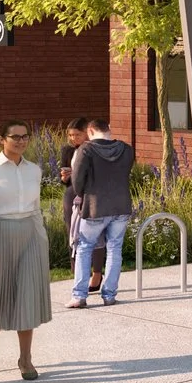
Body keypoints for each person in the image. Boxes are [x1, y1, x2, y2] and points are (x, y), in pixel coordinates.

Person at [0, 121, 51, 382]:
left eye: (25, 137)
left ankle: (25, 358)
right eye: (14, 137)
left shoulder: (34, 170)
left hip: (30, 235)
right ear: (1, 140)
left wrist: (42, 240)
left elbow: (36, 207)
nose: (20, 141)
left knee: (26, 296)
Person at [67, 119, 135, 309]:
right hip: (121, 205)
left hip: (95, 206)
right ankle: (109, 295)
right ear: (109, 130)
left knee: (84, 247)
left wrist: (82, 194)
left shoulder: (86, 150)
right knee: (115, 249)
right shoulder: (126, 149)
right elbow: (126, 172)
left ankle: (79, 296)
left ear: (90, 131)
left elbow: (77, 180)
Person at [56, 118, 92, 291]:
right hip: (72, 193)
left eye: (77, 134)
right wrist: (64, 177)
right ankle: (75, 268)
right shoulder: (68, 150)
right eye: (70, 135)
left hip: (91, 194)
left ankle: (95, 269)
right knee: (72, 229)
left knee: (92, 232)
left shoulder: (93, 149)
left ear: (86, 132)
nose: (73, 138)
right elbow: (64, 178)